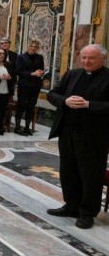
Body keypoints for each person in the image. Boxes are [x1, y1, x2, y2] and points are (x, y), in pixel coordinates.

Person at [46, 45, 109, 230]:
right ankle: (71, 206)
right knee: (68, 171)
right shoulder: (72, 74)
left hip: (94, 136)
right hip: (67, 131)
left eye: (92, 58)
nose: (87, 62)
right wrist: (65, 101)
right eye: (84, 58)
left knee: (90, 175)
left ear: (103, 59)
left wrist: (89, 104)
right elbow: (52, 94)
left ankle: (87, 213)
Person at [14, 39, 45, 135]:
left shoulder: (40, 57)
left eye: (35, 47)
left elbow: (41, 69)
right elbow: (18, 71)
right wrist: (32, 73)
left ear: (38, 48)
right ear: (28, 47)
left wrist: (41, 73)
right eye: (31, 46)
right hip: (24, 84)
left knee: (31, 106)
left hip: (35, 85)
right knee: (21, 105)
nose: (33, 48)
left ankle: (27, 127)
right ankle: (17, 127)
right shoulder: (21, 57)